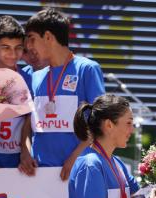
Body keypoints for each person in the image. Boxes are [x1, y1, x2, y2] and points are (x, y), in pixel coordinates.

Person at [21, 7, 105, 180]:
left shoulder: (86, 69)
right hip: (40, 174)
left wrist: (75, 158)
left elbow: (99, 122)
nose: (28, 46)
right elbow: (29, 121)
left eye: (32, 39)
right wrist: (25, 151)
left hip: (77, 171)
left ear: (49, 37)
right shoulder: (34, 76)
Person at [0, 15, 31, 168]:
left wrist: (26, 150)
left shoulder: (28, 79)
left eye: (18, 47)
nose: (13, 54)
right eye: (6, 47)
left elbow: (30, 118)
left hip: (18, 164)